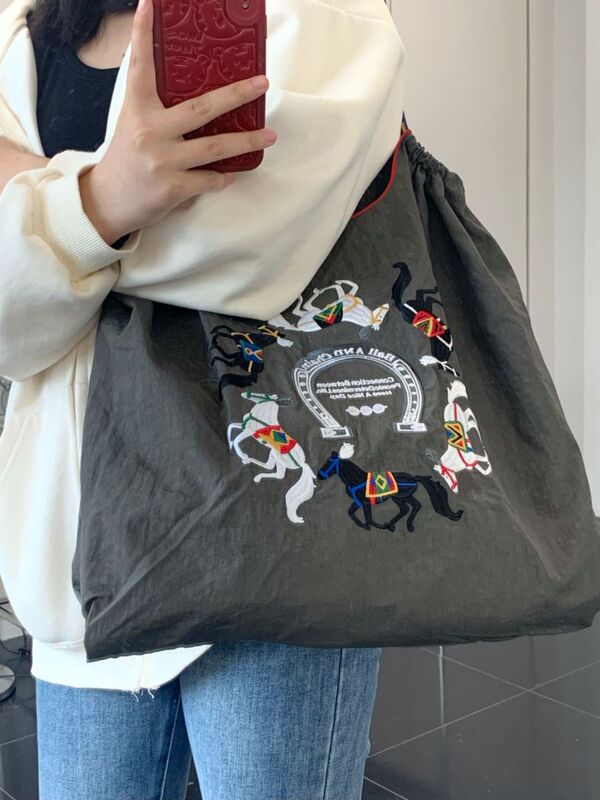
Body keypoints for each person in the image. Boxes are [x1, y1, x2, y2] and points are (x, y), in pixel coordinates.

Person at [0, 0, 408, 797]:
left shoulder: (329, 12)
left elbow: (251, 253)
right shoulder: (22, 29)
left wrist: (49, 206)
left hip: (271, 534)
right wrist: (108, 196)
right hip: (78, 547)